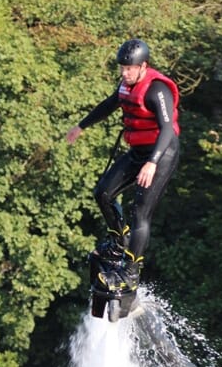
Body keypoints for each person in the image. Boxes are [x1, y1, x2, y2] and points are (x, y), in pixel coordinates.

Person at [66, 38, 180, 292]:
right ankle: (119, 239)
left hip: (161, 155)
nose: (124, 73)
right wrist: (81, 126)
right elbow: (108, 105)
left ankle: (130, 272)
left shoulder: (156, 90)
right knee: (103, 193)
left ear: (143, 66)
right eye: (122, 68)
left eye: (129, 68)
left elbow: (167, 130)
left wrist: (152, 163)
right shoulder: (126, 85)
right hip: (139, 152)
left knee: (140, 212)